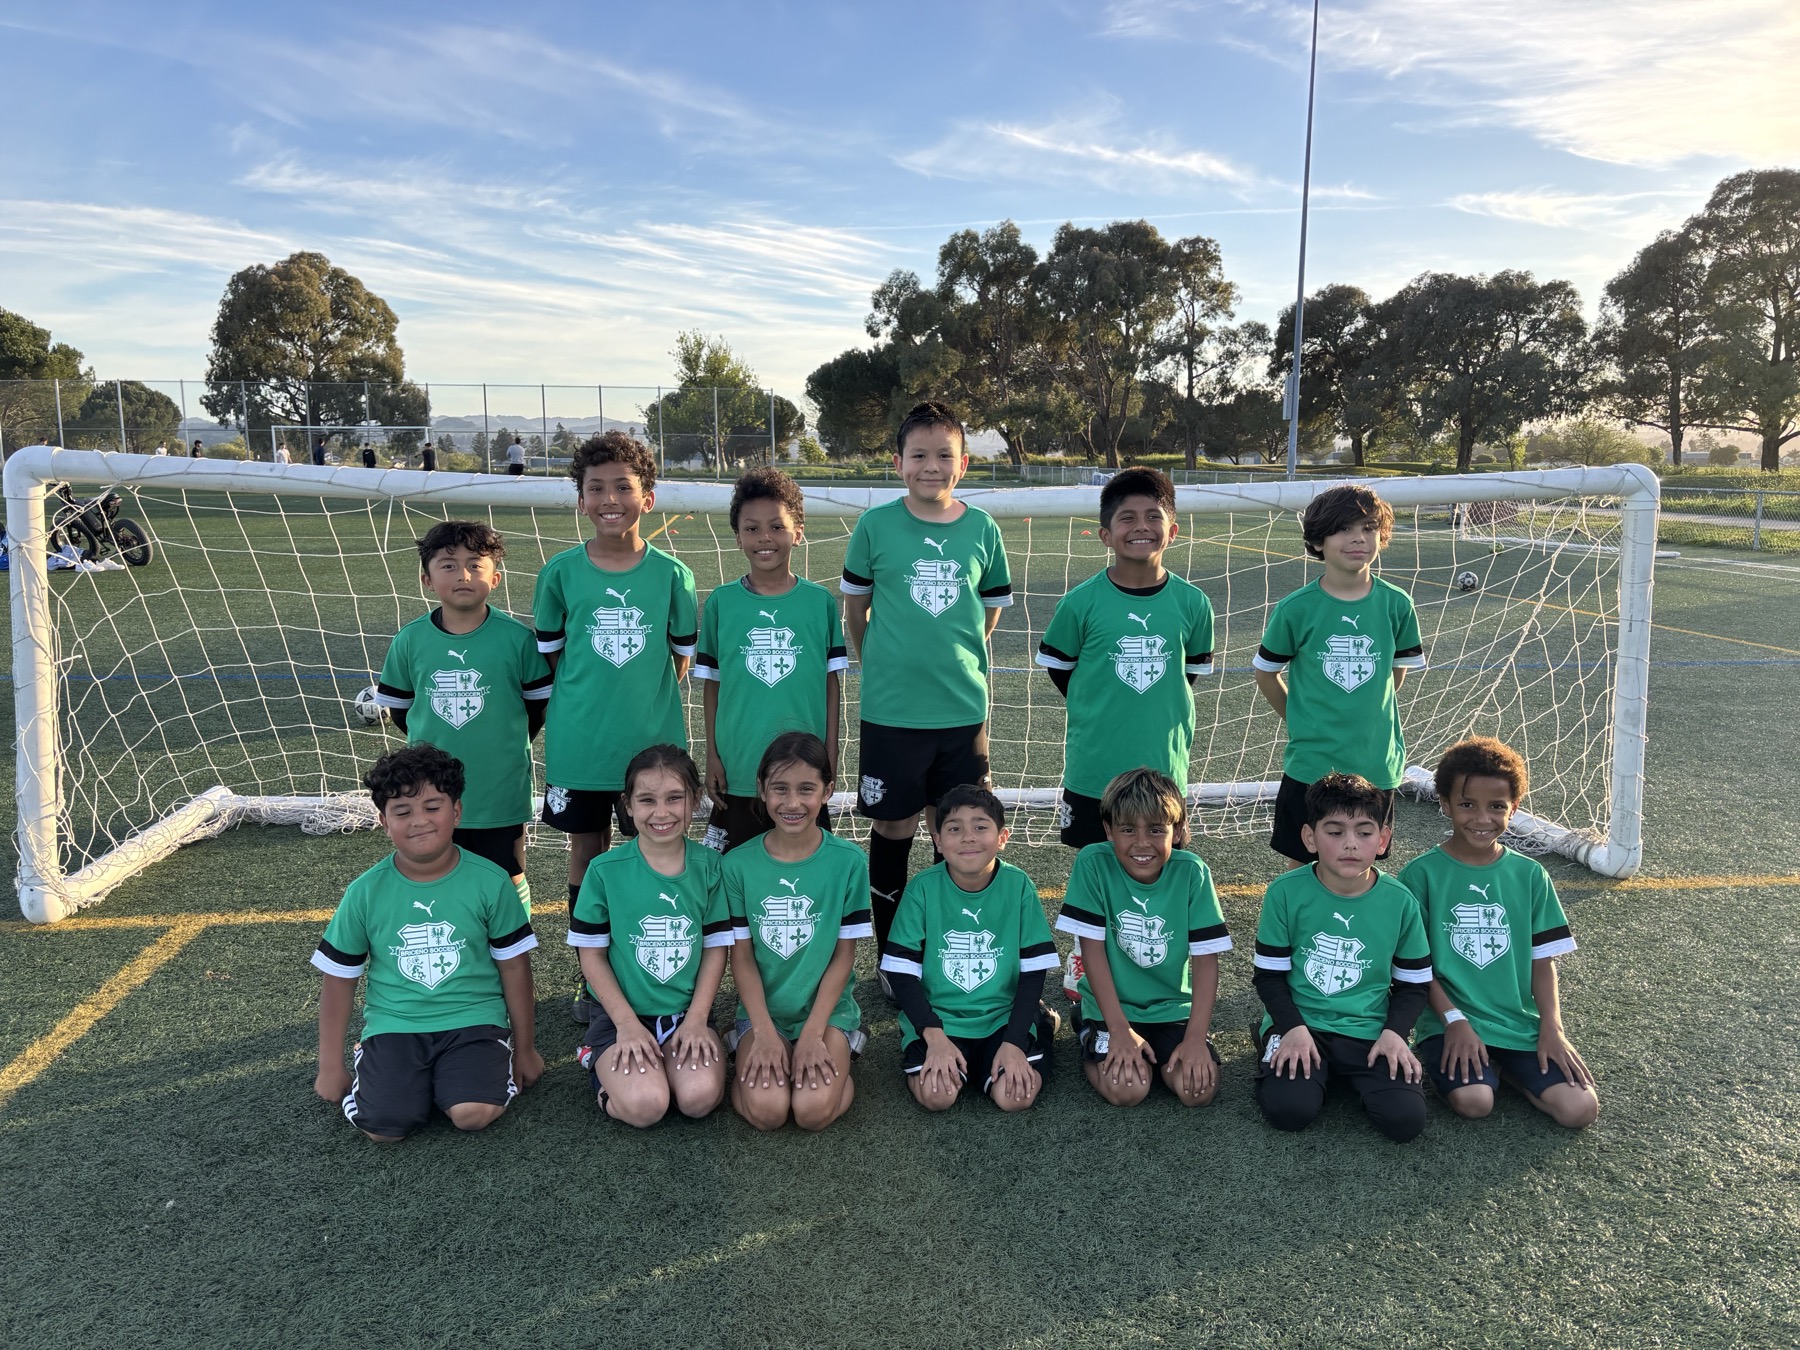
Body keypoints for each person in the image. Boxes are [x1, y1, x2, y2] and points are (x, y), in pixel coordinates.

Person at [840, 400, 1011, 956]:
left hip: (961, 710)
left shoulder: (982, 528)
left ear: (963, 464)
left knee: (956, 829)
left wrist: (955, 654)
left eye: (944, 455)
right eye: (918, 455)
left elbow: (988, 612)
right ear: (898, 463)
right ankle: (892, 953)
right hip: (892, 711)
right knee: (894, 828)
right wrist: (880, 661)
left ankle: (944, 946)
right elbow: (856, 610)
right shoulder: (875, 526)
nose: (931, 466)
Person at [310, 744, 543, 1140]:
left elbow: (515, 968)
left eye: (433, 807)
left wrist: (526, 1048)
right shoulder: (364, 892)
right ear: (384, 822)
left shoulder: (491, 881)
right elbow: (339, 978)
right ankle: (383, 1071)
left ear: (457, 811)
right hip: (396, 1023)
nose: (419, 820)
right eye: (402, 812)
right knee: (384, 1128)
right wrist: (329, 1065)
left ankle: (463, 1078)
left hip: (474, 1020)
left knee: (472, 1113)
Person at [532, 432, 697, 964]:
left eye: (623, 487)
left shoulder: (673, 575)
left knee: (657, 852)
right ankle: (591, 970)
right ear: (580, 500)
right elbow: (556, 658)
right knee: (586, 850)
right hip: (580, 745)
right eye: (596, 488)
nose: (610, 499)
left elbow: (679, 660)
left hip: (651, 746)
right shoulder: (559, 573)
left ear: (647, 498)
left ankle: (644, 966)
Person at [1400, 737, 1599, 1128]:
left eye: (1496, 806)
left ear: (1514, 808)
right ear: (1445, 803)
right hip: (1449, 1020)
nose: (1481, 818)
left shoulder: (1530, 875)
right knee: (1475, 1102)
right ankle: (1470, 1068)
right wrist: (1454, 1020)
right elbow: (1415, 966)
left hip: (1516, 1022)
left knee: (1580, 1110)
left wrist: (1552, 1028)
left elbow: (1542, 961)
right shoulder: (1420, 875)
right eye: (1467, 805)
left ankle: (1505, 1067)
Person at [376, 521, 552, 915]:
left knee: (506, 870)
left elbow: (537, 707)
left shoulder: (517, 639)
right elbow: (401, 709)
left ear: (496, 578)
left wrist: (504, 743)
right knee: (437, 870)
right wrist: (430, 756)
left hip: (498, 783)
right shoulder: (410, 640)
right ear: (427, 579)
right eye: (448, 565)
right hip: (430, 786)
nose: (463, 575)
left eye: (475, 564)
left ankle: (514, 941)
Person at [1036, 466, 1215, 850]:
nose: (1141, 527)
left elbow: (1187, 675)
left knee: (1161, 866)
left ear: (1172, 531)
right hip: (1094, 770)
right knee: (1094, 866)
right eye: (1127, 518)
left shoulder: (1194, 603)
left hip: (1163, 769)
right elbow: (1060, 669)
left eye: (1153, 517)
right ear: (1105, 535)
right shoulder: (1080, 603)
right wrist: (1097, 699)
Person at [1251, 773, 1433, 1141]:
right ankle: (1271, 1036)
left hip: (1368, 1029)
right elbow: (1269, 976)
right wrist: (1292, 1028)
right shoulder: (1284, 892)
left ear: (1382, 840)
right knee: (1290, 1110)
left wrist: (1395, 1034)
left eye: (1364, 832)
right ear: (1309, 838)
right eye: (1334, 832)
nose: (1350, 843)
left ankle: (1339, 1070)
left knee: (1405, 1121)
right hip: (1303, 1023)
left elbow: (1414, 984)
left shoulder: (1400, 901)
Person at [1253, 484, 1426, 867]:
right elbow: (1266, 674)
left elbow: (1394, 676)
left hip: (1375, 761)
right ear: (1318, 540)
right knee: (1303, 866)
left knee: (1360, 867)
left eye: (1368, 527)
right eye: (1344, 528)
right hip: (1312, 763)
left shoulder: (1397, 604)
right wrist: (1300, 717)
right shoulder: (1295, 609)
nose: (1358, 538)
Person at [566, 744, 730, 1127]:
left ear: (695, 800)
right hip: (621, 1015)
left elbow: (715, 948)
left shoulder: (711, 867)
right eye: (647, 800)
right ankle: (599, 1063)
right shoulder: (604, 871)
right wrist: (626, 1024)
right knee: (647, 1106)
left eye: (674, 798)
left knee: (698, 1099)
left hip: (685, 1014)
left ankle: (669, 1060)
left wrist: (696, 1020)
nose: (661, 812)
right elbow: (591, 956)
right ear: (627, 805)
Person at [1055, 768, 1232, 1109]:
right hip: (1112, 1008)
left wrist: (1196, 1038)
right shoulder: (1093, 863)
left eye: (1155, 829)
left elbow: (1206, 961)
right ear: (1109, 830)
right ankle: (1088, 1025)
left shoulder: (1193, 873)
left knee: (1197, 1091)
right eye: (1127, 830)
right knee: (1127, 1090)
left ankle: (1162, 1045)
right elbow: (1092, 953)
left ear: (1177, 830)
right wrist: (1119, 1030)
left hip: (1172, 1007)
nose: (1141, 843)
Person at [881, 784, 1060, 1113]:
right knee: (937, 1096)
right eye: (954, 829)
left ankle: (1042, 1023)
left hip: (1002, 1017)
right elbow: (901, 973)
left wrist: (1014, 1040)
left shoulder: (1018, 885)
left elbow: (1034, 971)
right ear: (937, 840)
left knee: (1015, 1098)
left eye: (980, 827)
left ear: (1002, 837)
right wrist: (934, 1037)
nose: (967, 838)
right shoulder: (922, 888)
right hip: (941, 1019)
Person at [696, 467, 846, 854]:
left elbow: (830, 684)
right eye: (752, 528)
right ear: (738, 536)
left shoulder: (820, 603)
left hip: (804, 770)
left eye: (777, 527)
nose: (764, 537)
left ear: (798, 532)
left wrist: (831, 752)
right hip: (739, 767)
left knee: (803, 866)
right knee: (732, 873)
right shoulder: (721, 603)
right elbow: (712, 685)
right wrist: (713, 755)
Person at [726, 732, 870, 1131]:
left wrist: (812, 1034)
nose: (792, 803)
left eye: (806, 789)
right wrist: (762, 1032)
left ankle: (845, 1047)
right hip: (763, 1013)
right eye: (780, 789)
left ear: (828, 791)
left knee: (811, 1112)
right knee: (768, 1112)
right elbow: (741, 957)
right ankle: (741, 1041)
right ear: (761, 790)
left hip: (827, 1012)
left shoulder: (849, 862)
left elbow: (843, 956)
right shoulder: (736, 865)